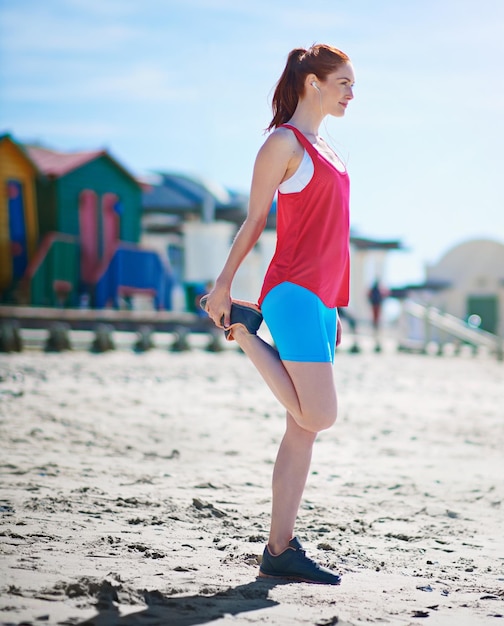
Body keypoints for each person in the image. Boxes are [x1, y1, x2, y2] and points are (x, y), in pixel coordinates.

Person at [201, 44, 355, 585]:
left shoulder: (328, 148)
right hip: (290, 292)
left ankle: (279, 548)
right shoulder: (283, 144)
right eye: (343, 82)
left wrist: (335, 302)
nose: (351, 93)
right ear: (312, 82)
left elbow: (335, 236)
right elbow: (254, 222)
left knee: (301, 430)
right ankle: (243, 329)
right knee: (321, 415)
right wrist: (224, 285)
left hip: (320, 299)